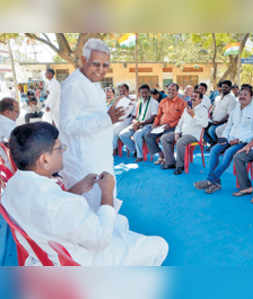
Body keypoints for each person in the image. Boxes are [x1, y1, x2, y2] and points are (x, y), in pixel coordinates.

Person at [3, 122, 168, 266]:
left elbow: (50, 210)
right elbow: (100, 240)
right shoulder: (65, 205)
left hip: (46, 252)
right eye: (59, 148)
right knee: (159, 245)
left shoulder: (12, 186)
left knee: (120, 222)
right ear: (44, 159)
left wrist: (78, 189)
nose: (63, 152)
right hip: (78, 263)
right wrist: (107, 192)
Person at [59, 38, 125, 211]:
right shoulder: (73, 85)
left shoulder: (91, 83)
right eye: (96, 64)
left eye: (105, 65)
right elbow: (67, 125)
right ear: (83, 60)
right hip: (84, 161)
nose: (101, 70)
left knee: (104, 202)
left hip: (98, 154)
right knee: (91, 209)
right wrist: (106, 119)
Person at [194, 84, 253, 194]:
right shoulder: (236, 109)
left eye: (245, 94)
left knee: (228, 153)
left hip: (244, 141)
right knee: (214, 150)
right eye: (240, 94)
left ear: (251, 97)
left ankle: (210, 180)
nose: (242, 96)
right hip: (230, 138)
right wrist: (225, 137)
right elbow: (229, 126)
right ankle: (216, 183)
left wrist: (238, 140)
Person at [160, 90, 209, 174]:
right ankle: (170, 162)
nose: (192, 98)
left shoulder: (203, 110)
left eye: (195, 97)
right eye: (192, 96)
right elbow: (180, 122)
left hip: (193, 136)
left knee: (180, 142)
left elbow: (205, 124)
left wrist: (193, 115)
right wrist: (176, 132)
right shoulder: (188, 108)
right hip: (182, 133)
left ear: (200, 100)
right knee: (164, 138)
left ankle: (180, 166)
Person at [144, 83, 186, 166]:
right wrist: (155, 124)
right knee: (148, 135)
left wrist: (170, 125)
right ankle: (161, 155)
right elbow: (158, 116)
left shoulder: (182, 103)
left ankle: (168, 159)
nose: (171, 91)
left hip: (174, 127)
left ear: (177, 91)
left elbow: (182, 119)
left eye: (173, 90)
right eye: (169, 90)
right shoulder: (163, 101)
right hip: (161, 126)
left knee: (164, 138)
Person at [118, 84, 159, 162]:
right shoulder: (138, 102)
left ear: (149, 92)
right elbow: (134, 116)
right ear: (139, 93)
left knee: (137, 134)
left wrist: (140, 124)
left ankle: (140, 156)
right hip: (137, 124)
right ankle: (135, 151)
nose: (144, 95)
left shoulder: (153, 102)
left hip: (148, 125)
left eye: (146, 92)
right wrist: (135, 123)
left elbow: (153, 117)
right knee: (122, 134)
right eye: (142, 93)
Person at [205, 80, 236, 146]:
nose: (223, 89)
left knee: (211, 130)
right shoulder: (217, 98)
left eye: (226, 87)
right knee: (202, 127)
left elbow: (229, 115)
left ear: (230, 88)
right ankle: (212, 143)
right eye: (223, 87)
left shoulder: (232, 99)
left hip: (223, 123)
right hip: (213, 120)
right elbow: (213, 108)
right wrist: (210, 115)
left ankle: (218, 145)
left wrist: (219, 122)